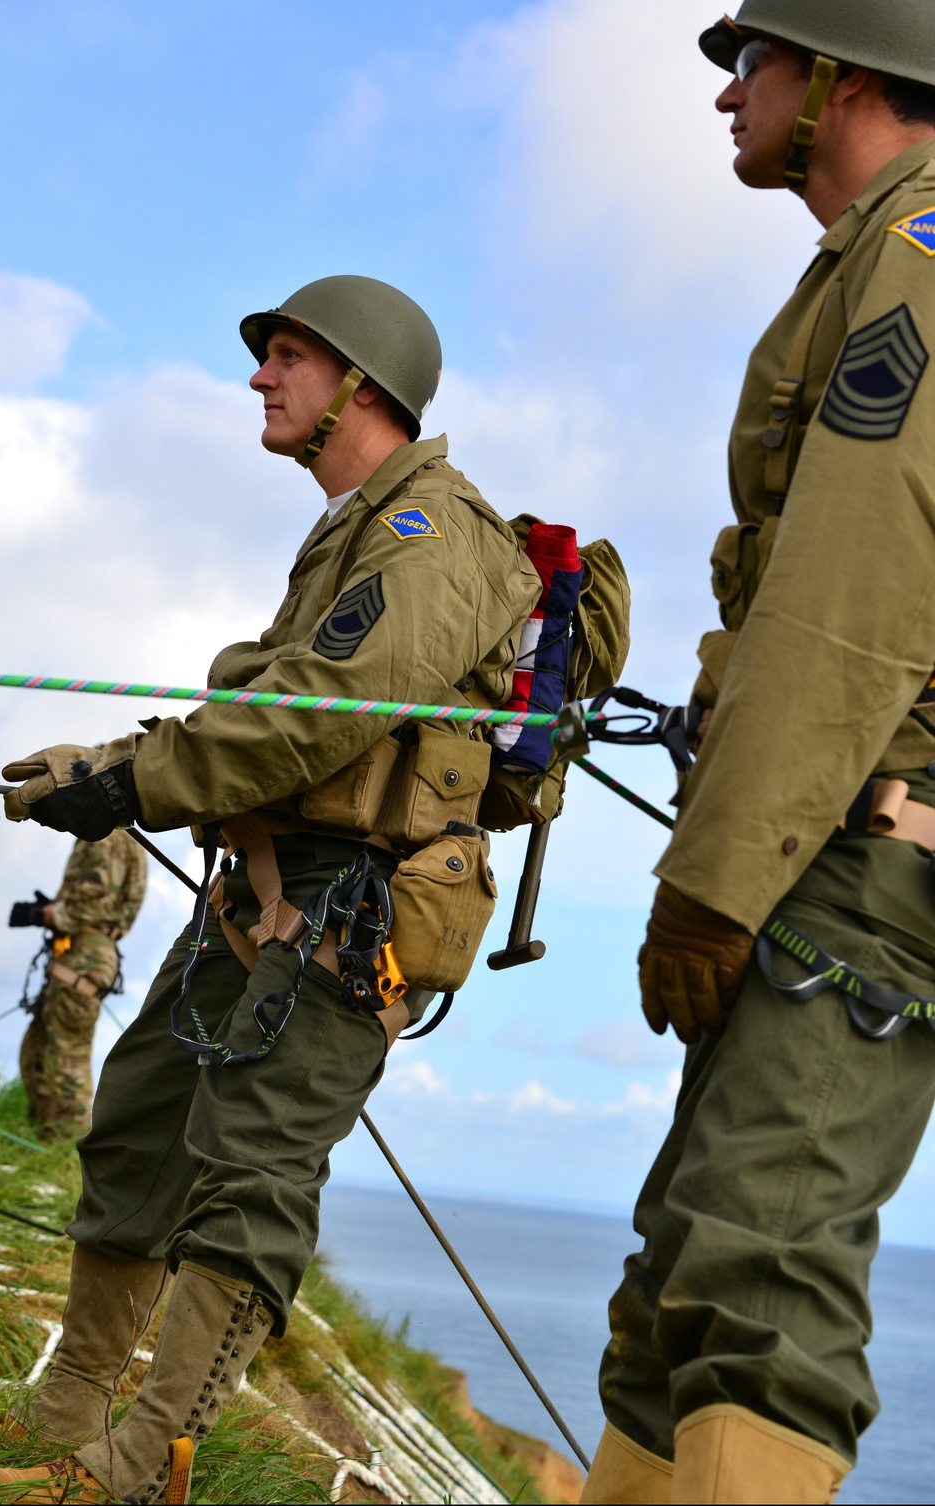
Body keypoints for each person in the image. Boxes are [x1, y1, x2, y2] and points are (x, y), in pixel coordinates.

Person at [0, 275, 628, 1502]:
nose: (262, 375)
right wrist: (122, 767)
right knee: (141, 1126)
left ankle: (143, 1470)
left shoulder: (431, 533)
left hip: (348, 908)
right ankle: (62, 1427)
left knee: (253, 1173)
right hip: (264, 885)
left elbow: (318, 719)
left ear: (363, 387)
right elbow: (284, 719)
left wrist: (131, 777)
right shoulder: (356, 527)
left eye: (290, 356)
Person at [580, 4, 935, 1503]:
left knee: (758, 1289)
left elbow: (856, 593)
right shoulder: (865, 262)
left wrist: (715, 881)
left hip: (857, 845)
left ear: (841, 75)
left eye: (752, 60)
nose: (728, 92)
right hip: (817, 835)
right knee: (679, 1297)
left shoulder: (920, 257)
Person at [10, 830, 148, 1137]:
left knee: (66, 1055)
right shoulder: (128, 840)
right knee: (39, 1047)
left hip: (84, 954)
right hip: (82, 953)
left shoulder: (103, 834)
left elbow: (94, 901)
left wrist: (46, 914)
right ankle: (47, 1138)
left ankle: (65, 1141)